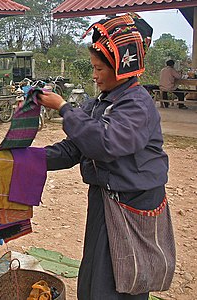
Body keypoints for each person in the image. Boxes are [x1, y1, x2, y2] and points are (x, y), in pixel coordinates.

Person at [38, 13, 174, 300]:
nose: (94, 75)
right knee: (94, 278)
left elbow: (104, 143)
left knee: (125, 278)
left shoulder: (137, 105)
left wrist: (64, 108)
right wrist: (29, 158)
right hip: (106, 198)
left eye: (99, 68)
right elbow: (75, 147)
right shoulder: (99, 103)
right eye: (93, 67)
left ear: (121, 70)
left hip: (134, 203)